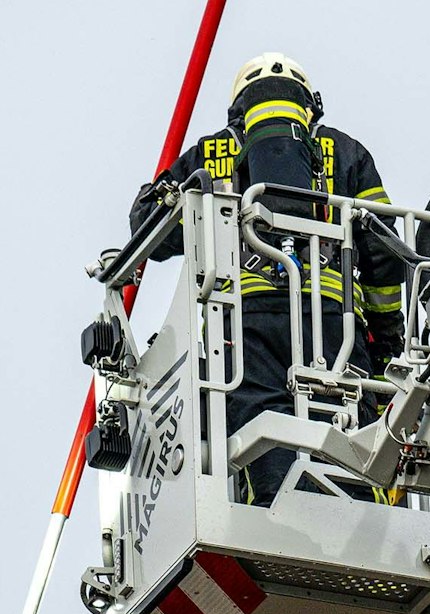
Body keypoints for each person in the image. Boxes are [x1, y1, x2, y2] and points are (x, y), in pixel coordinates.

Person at [129, 52, 406, 504]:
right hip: (334, 320)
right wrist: (387, 331)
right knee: (344, 416)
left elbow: (148, 232)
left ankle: (280, 511)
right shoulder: (347, 150)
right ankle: (354, 515)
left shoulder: (209, 154)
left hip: (242, 319)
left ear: (237, 106)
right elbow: (382, 251)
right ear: (309, 102)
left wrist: (160, 198)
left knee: (259, 418)